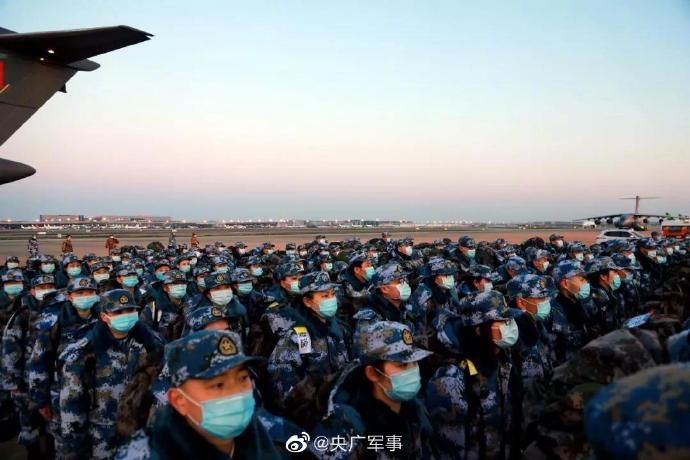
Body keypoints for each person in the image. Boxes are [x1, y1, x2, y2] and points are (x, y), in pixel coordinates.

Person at [115, 330, 283, 459]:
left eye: (243, 378)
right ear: (179, 400)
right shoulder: (142, 454)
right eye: (218, 385)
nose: (237, 393)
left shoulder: (276, 435)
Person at [59, 289, 164, 460]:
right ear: (104, 316)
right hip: (102, 434)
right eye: (118, 312)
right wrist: (74, 447)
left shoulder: (152, 343)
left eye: (130, 310)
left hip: (142, 430)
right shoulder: (85, 350)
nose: (126, 315)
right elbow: (72, 402)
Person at [311, 321, 437, 459]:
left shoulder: (414, 410)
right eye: (402, 365)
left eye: (415, 362)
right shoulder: (343, 427)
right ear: (373, 373)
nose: (413, 370)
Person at [266, 271, 351, 429]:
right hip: (310, 420)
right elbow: (284, 390)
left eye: (333, 294)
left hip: (341, 410)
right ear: (307, 301)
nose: (331, 299)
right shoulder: (297, 337)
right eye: (324, 296)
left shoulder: (340, 329)